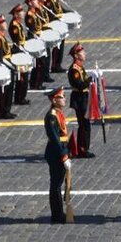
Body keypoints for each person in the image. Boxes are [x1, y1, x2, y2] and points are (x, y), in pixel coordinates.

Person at [43, 87, 71, 223]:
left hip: (61, 149)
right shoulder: (52, 116)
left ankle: (59, 213)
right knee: (56, 185)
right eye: (61, 97)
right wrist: (63, 156)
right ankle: (57, 215)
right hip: (55, 152)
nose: (64, 98)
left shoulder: (58, 113)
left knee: (58, 183)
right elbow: (55, 138)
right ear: (54, 100)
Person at [66, 44, 95, 158]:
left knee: (85, 124)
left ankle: (84, 147)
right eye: (82, 52)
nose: (84, 54)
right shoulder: (74, 69)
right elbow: (80, 85)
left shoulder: (80, 67)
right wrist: (90, 79)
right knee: (83, 125)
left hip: (83, 98)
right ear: (76, 55)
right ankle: (82, 149)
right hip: (79, 99)